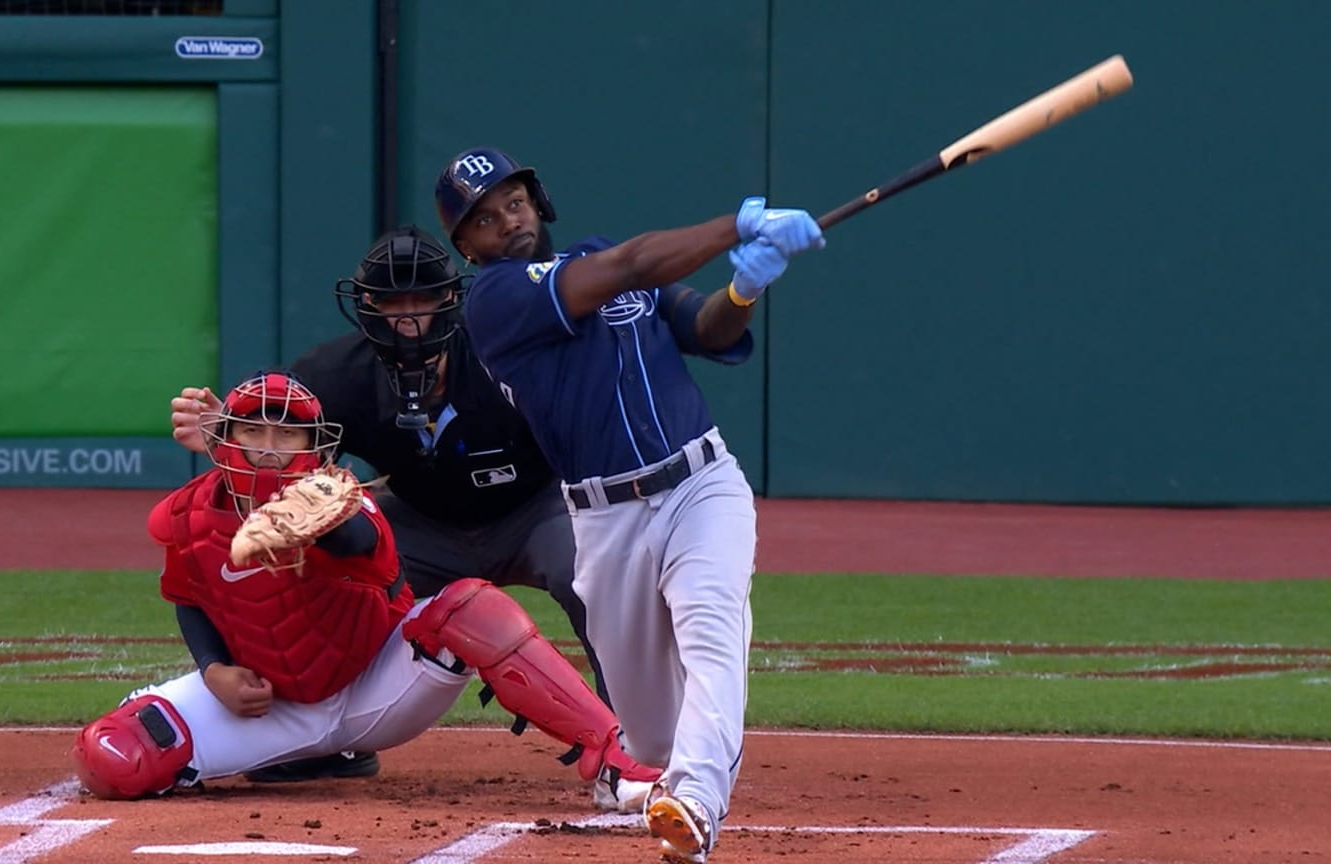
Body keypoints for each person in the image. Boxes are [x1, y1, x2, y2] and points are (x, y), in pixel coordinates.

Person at [434, 147, 824, 863]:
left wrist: (742, 290)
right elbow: (635, 264)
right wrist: (739, 225)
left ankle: (697, 805)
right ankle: (658, 782)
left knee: (712, 629)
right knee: (647, 737)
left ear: (536, 201)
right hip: (604, 521)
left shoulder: (598, 258)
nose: (506, 223)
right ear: (466, 246)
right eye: (484, 220)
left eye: (513, 203)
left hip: (700, 485)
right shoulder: (495, 302)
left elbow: (704, 331)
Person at [168, 225, 615, 795]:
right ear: (366, 307)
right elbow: (278, 445)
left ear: (449, 300)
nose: (408, 317)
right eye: (391, 302)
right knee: (290, 559)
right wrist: (224, 433)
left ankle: (626, 737)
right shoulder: (334, 374)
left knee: (596, 576)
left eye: (422, 300)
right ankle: (319, 740)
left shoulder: (504, 352)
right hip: (420, 521)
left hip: (535, 509)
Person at [71, 371, 657, 805]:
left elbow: (353, 543)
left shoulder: (342, 500)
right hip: (270, 705)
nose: (271, 448)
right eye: (255, 431)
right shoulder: (188, 518)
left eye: (288, 436)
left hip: (380, 685)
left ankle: (611, 755)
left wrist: (305, 514)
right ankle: (304, 759)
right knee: (111, 758)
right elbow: (189, 597)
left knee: (469, 605)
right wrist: (213, 670)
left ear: (314, 448)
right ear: (227, 437)